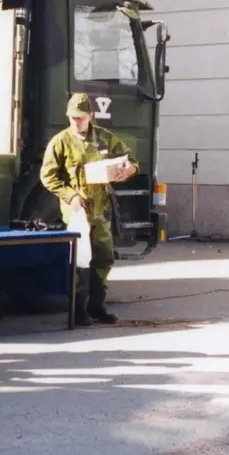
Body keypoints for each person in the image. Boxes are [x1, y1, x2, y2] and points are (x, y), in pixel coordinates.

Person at [39, 92, 138, 326]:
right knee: (80, 262)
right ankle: (78, 309)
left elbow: (130, 159)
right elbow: (48, 176)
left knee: (103, 258)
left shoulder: (104, 138)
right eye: (72, 118)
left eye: (81, 118)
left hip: (100, 209)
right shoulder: (60, 141)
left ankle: (97, 306)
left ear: (90, 116)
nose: (76, 122)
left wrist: (128, 171)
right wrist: (70, 195)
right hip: (77, 212)